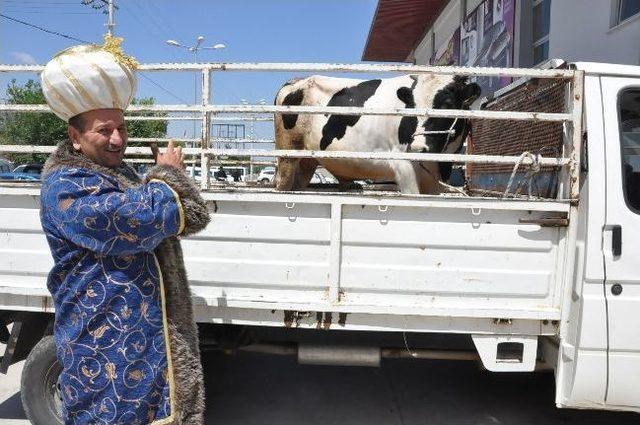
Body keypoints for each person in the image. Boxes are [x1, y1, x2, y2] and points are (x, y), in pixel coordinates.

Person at [39, 36, 209, 424]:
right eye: (104, 130)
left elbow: (187, 215)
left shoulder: (119, 174)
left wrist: (164, 185)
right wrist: (169, 175)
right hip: (104, 346)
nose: (117, 138)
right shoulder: (66, 186)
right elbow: (143, 218)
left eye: (121, 127)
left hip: (145, 342)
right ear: (75, 138)